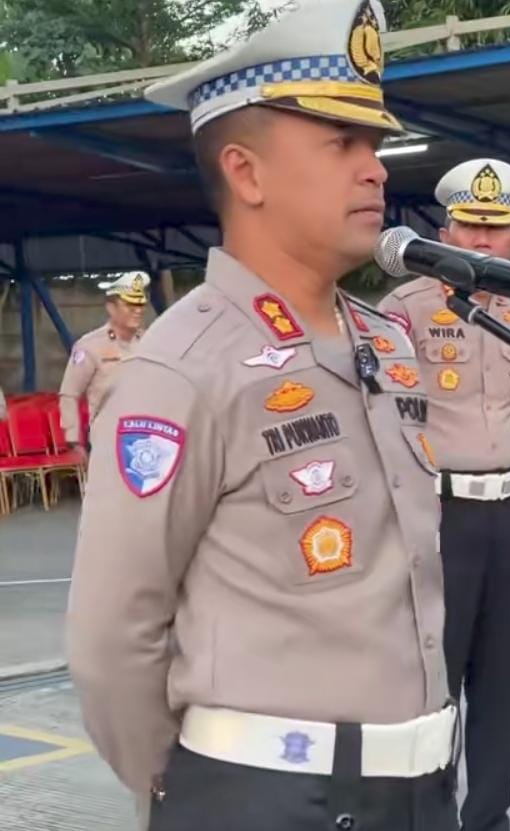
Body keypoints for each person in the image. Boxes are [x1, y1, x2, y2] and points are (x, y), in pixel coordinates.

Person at [66, 3, 459, 831]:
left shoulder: (385, 342)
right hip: (268, 797)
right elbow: (112, 636)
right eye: (340, 144)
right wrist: (193, 798)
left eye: (373, 144)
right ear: (246, 174)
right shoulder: (184, 367)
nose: (374, 169)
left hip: (419, 789)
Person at [380, 159, 510, 831]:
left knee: (503, 683)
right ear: (443, 231)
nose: (480, 241)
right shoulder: (404, 309)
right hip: (439, 516)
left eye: (494, 229)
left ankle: (488, 818)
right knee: (435, 686)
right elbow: (384, 419)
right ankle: (431, 817)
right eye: (468, 226)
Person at [58, 271, 150, 452]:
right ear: (111, 308)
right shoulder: (90, 346)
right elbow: (69, 394)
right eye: (129, 304)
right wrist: (73, 440)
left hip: (149, 437)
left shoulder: (151, 342)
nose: (137, 310)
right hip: (109, 439)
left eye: (140, 304)